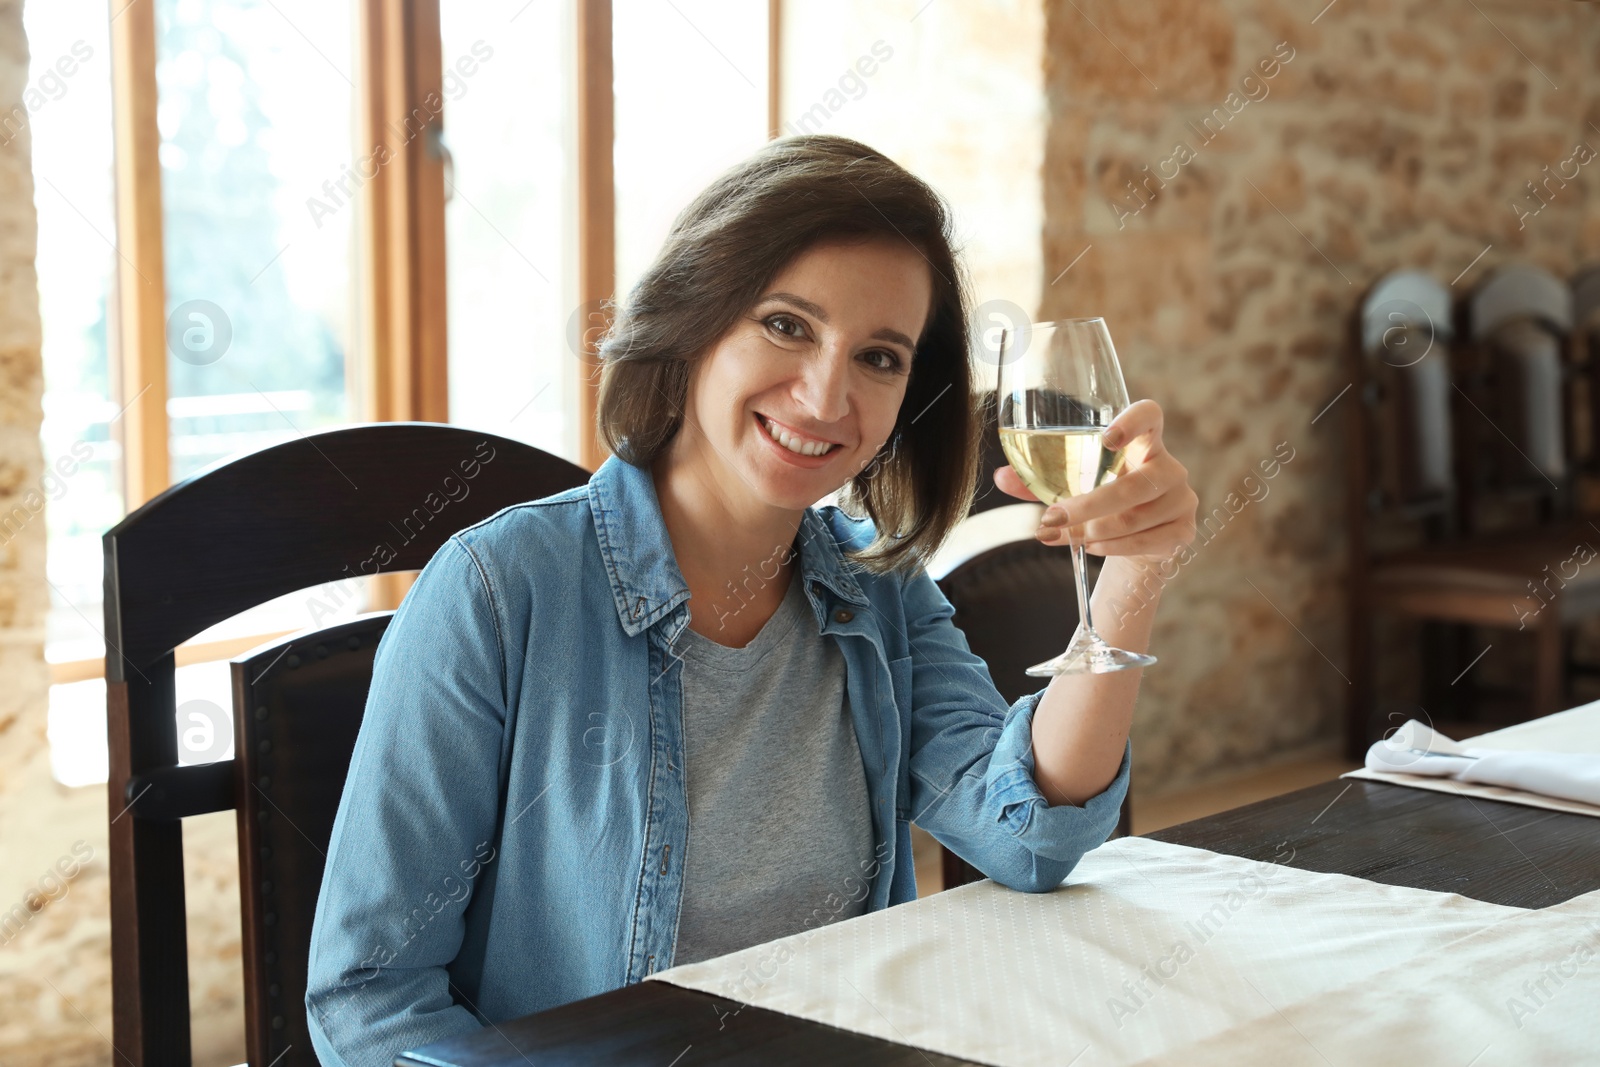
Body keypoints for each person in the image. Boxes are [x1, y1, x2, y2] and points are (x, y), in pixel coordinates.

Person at [304, 134, 1197, 1066]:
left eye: (880, 357)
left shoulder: (878, 585)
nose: (824, 395)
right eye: (786, 325)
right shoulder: (498, 589)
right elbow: (371, 994)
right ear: (695, 321)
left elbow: (1028, 839)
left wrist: (1133, 573)